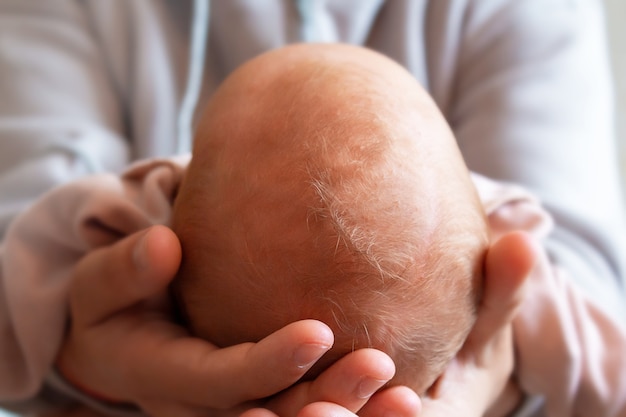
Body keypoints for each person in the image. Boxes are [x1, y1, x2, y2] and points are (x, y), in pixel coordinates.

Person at [1, 1, 625, 417]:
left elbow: (19, 278)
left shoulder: (132, 209)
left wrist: (57, 354)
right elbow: (597, 341)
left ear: (174, 188)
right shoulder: (504, 230)